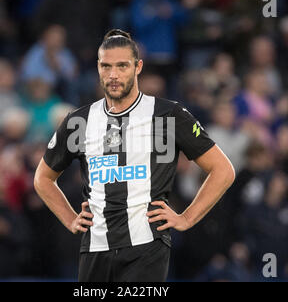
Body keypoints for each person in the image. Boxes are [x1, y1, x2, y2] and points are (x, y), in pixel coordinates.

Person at [34, 29, 235, 282]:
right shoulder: (78, 121)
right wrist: (70, 219)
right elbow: (42, 178)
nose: (113, 75)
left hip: (147, 247)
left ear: (138, 67)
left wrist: (186, 218)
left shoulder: (169, 115)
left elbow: (223, 170)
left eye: (122, 66)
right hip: (94, 248)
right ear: (98, 67)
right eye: (106, 66)